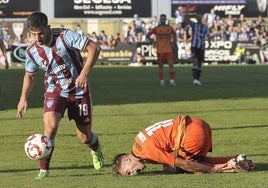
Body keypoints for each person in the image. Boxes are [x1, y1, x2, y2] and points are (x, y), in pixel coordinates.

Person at [16, 12, 104, 180]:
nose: (38, 37)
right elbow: (29, 75)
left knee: (84, 136)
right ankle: (44, 170)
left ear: (48, 28)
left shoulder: (65, 36)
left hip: (79, 90)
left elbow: (94, 47)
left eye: (40, 32)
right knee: (50, 128)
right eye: (34, 34)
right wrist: (23, 97)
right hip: (55, 91)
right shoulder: (32, 51)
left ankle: (95, 148)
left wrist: (84, 73)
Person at [112, 115, 255, 176]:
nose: (133, 175)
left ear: (127, 160)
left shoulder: (146, 152)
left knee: (190, 168)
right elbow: (163, 142)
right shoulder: (138, 141)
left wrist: (212, 170)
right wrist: (167, 165)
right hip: (200, 124)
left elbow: (183, 163)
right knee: (196, 162)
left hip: (192, 136)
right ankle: (236, 159)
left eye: (128, 172)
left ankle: (228, 167)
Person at [147, 14, 177, 86]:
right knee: (160, 66)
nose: (163, 20)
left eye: (164, 18)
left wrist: (173, 43)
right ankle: (162, 81)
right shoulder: (156, 28)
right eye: (162, 19)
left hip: (168, 50)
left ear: (165, 19)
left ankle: (172, 81)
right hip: (160, 50)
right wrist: (153, 42)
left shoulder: (169, 28)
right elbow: (148, 35)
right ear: (160, 20)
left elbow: (175, 35)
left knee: (171, 65)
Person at [185, 7, 210, 85]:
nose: (199, 18)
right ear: (196, 18)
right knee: (195, 62)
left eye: (200, 17)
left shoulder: (205, 27)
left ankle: (197, 80)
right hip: (194, 46)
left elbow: (208, 35)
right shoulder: (194, 25)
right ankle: (195, 79)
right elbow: (186, 18)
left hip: (201, 47)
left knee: (199, 64)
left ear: (202, 18)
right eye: (198, 17)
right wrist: (187, 9)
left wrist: (209, 43)